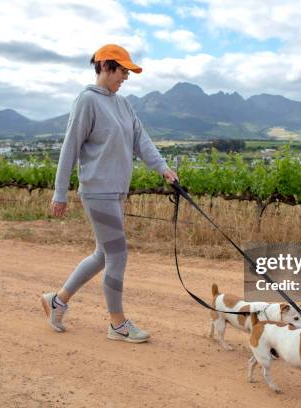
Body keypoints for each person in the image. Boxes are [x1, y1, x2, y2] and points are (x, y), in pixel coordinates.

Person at [42, 44, 178, 343]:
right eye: (123, 71)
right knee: (117, 253)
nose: (126, 78)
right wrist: (60, 192)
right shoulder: (87, 101)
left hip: (116, 190)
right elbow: (70, 147)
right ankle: (117, 324)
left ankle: (58, 300)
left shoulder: (123, 104)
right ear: (105, 66)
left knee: (104, 254)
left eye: (128, 72)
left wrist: (164, 169)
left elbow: (142, 141)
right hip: (97, 190)